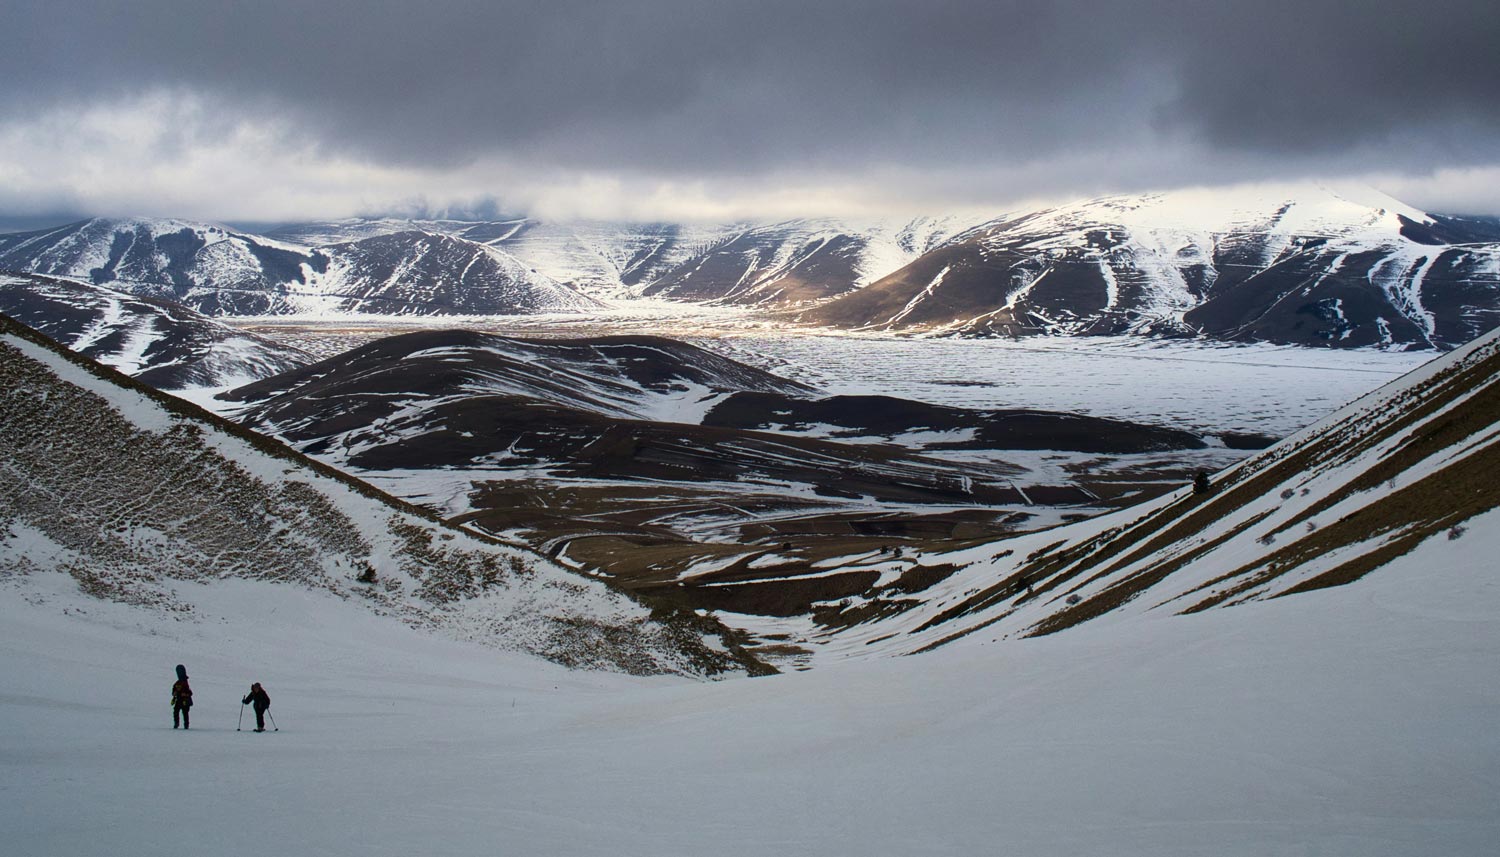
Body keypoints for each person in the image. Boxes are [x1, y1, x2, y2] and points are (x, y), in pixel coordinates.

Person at [171, 664, 193, 730]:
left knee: (185, 713)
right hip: (179, 700)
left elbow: (190, 693)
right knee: (176, 711)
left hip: (185, 700)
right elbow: (173, 690)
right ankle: (176, 723)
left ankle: (186, 725)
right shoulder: (177, 683)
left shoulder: (185, 684)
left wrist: (185, 694)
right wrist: (174, 694)